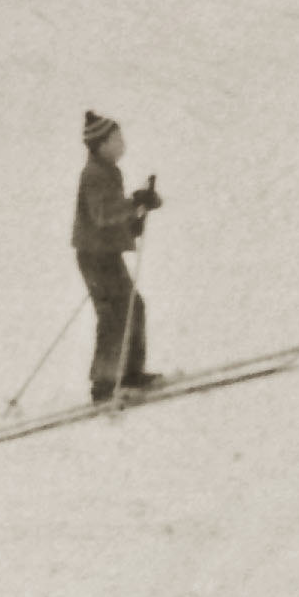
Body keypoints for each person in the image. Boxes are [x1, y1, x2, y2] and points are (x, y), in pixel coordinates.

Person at [71, 109, 166, 401]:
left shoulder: (109, 171)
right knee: (113, 315)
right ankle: (104, 383)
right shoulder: (95, 174)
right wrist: (134, 202)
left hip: (105, 253)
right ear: (101, 145)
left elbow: (113, 216)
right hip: (95, 256)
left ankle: (129, 373)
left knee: (132, 307)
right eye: (116, 139)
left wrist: (137, 215)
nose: (122, 143)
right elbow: (102, 214)